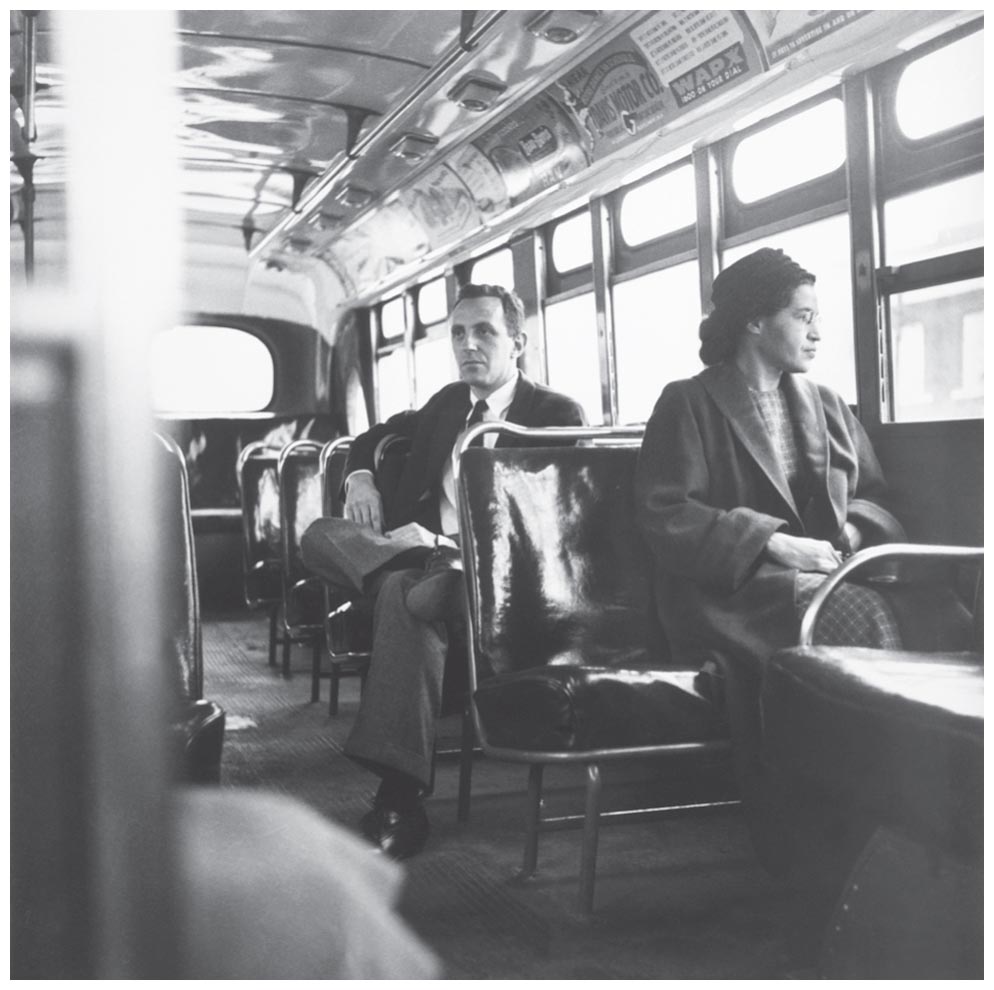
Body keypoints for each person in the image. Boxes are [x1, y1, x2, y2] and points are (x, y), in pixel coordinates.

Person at [634, 248, 913, 865]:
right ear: (754, 322)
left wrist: (852, 537)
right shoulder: (688, 402)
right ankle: (848, 821)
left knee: (937, 613)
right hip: (727, 593)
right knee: (855, 616)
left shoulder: (829, 403)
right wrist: (770, 541)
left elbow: (873, 497)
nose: (817, 331)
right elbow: (664, 513)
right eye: (802, 315)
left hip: (826, 576)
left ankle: (890, 815)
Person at [302, 282, 585, 859]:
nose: (468, 344)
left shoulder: (553, 413)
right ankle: (414, 567)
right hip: (431, 571)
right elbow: (373, 437)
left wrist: (446, 543)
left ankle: (398, 796)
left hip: (495, 581)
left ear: (518, 343)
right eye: (458, 333)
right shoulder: (446, 405)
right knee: (322, 538)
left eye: (484, 331)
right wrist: (360, 477)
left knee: (408, 598)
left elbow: (543, 533)